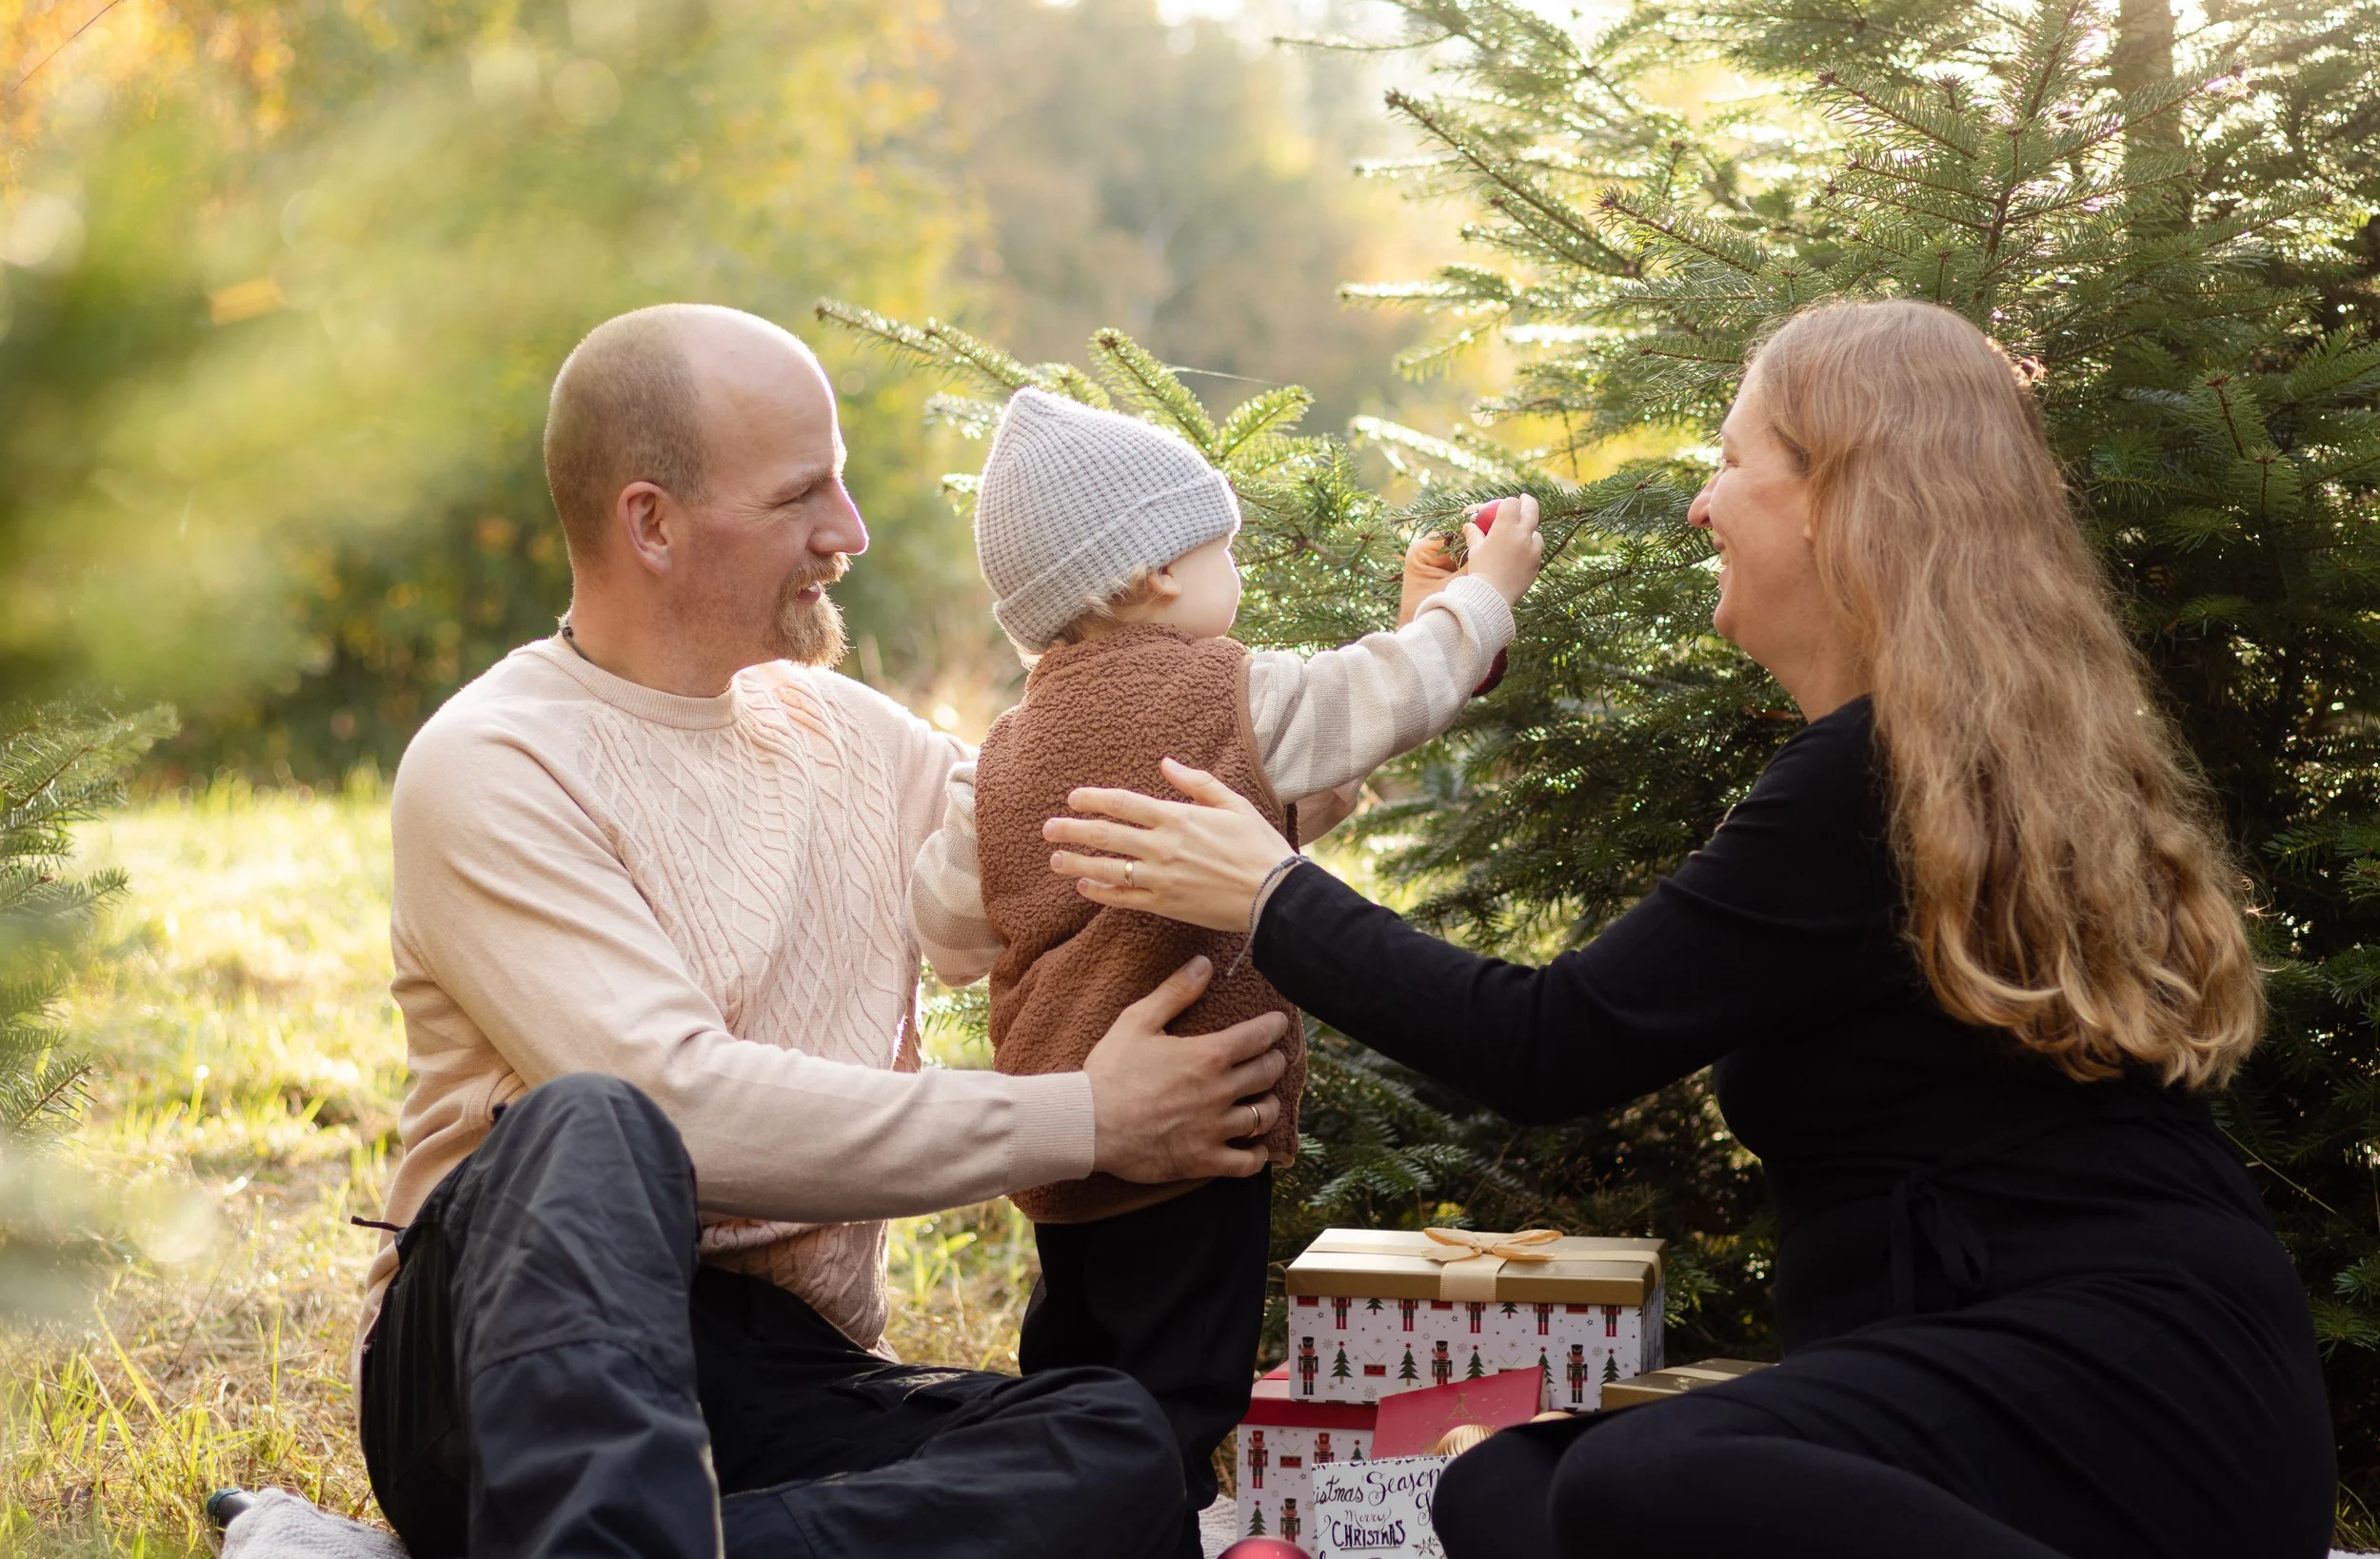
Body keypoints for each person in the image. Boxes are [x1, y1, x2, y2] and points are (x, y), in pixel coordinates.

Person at [1034, 298, 2338, 1559]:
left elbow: (1552, 1043)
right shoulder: (1928, 760)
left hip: (2124, 1394)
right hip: (2051, 1387)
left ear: (1843, 498)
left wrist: (1269, 892)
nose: (1702, 503)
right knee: (1499, 1488)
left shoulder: (1874, 777)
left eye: (1730, 461)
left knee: (1633, 1482)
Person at [355, 304, 1298, 1559]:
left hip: (774, 1369)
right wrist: (1089, 1113)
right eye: (804, 494)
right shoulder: (496, 761)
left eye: (841, 484)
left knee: (1120, 1448)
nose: (848, 533)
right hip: (498, 1351)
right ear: (652, 522)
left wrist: (1429, 665)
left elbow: (1110, 803)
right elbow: (685, 1108)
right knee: (597, 1114)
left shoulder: (853, 740)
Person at [907, 386, 1540, 1556]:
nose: (1234, 574)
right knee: (1177, 1393)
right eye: (1224, 548)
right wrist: (1478, 599)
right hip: (1194, 1128)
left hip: (1065, 1141)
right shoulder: (1223, 687)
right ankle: (1170, 1533)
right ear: (1152, 575)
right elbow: (1384, 695)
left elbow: (950, 934)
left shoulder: (999, 756)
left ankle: (1060, 1512)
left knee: (1073, 1361)